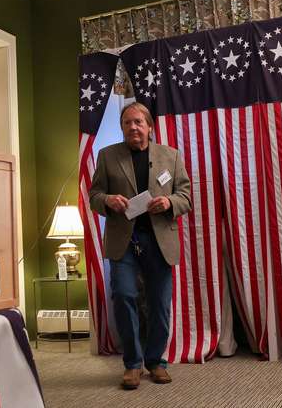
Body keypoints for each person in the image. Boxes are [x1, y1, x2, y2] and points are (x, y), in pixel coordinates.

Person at [89, 102, 192, 390]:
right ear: (122, 128)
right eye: (127, 123)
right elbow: (94, 195)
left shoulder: (170, 156)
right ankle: (132, 364)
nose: (132, 127)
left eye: (138, 122)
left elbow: (186, 196)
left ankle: (156, 361)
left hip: (160, 241)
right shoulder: (107, 156)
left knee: (159, 304)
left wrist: (170, 202)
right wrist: (107, 200)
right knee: (123, 296)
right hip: (125, 241)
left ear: (149, 127)